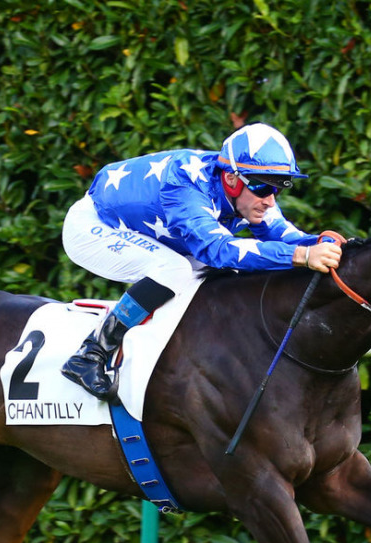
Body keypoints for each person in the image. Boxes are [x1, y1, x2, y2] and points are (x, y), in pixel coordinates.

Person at [60, 122, 343, 400]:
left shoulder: (250, 188)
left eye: (279, 188)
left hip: (147, 232)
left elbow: (284, 235)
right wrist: (301, 256)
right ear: (231, 178)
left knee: (225, 274)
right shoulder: (184, 186)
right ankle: (90, 354)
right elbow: (217, 249)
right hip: (94, 226)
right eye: (262, 187)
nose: (270, 200)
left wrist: (327, 242)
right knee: (176, 270)